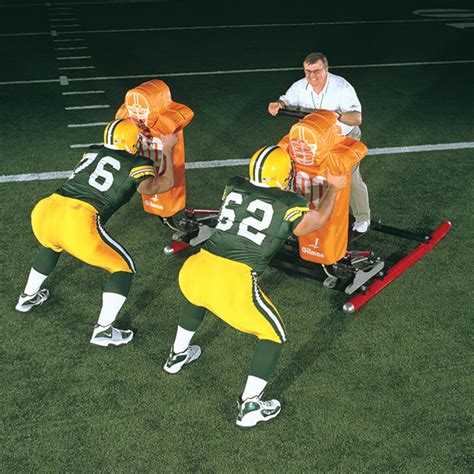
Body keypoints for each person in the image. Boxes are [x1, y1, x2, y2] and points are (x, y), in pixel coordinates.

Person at [163, 145, 346, 428]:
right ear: (283, 175)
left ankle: (176, 355)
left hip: (195, 268)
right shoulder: (290, 203)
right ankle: (250, 405)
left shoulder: (233, 186)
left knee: (197, 297)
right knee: (274, 336)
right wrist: (334, 188)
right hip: (234, 281)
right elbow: (316, 222)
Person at [16, 119, 178, 346]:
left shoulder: (92, 151)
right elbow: (165, 183)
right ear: (131, 142)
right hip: (77, 221)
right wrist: (168, 150)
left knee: (53, 244)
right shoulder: (138, 163)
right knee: (123, 267)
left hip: (45, 210)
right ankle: (103, 331)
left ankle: (27, 297)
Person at [268, 51, 370, 233]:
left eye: (316, 71)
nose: (312, 76)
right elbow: (285, 101)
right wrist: (278, 104)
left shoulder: (341, 87)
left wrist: (337, 115)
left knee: (349, 177)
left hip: (342, 138)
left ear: (326, 70)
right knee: (296, 173)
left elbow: (357, 118)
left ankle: (363, 217)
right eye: (308, 71)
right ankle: (300, 214)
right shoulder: (300, 86)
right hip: (311, 141)